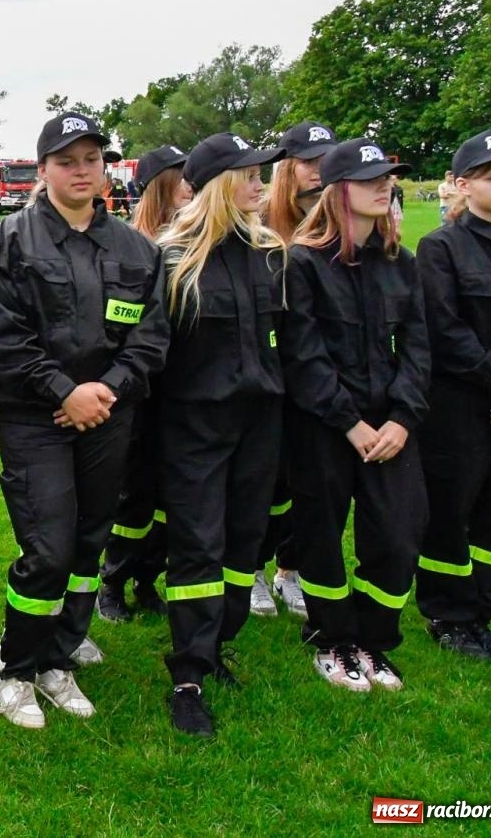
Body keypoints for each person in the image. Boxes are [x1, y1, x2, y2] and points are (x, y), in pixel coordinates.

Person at [0, 113, 169, 729]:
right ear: (44, 169)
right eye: (67, 160)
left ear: (105, 167)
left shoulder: (136, 249)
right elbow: (4, 339)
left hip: (107, 416)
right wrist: (64, 390)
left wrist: (103, 392)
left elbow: (149, 340)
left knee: (89, 544)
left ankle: (58, 661)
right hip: (34, 417)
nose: (81, 170)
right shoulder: (10, 241)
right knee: (49, 547)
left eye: (91, 159)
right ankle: (17, 669)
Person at [280, 138, 429, 692]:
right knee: (320, 533)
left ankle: (374, 640)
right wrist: (350, 423)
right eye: (370, 179)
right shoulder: (303, 262)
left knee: (397, 537)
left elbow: (418, 347)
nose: (384, 186)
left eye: (387, 178)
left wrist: (402, 419)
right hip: (325, 425)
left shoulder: (401, 262)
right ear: (338, 190)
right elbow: (303, 355)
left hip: (391, 424)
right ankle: (333, 640)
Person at [153, 134, 286, 736]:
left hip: (260, 426)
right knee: (198, 548)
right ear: (215, 186)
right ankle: (187, 674)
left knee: (243, 543)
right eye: (249, 175)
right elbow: (154, 355)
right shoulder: (170, 258)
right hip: (194, 429)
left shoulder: (271, 254)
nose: (261, 184)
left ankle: (215, 645)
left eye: (263, 173)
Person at [415, 131, 491, 659]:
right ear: (463, 186)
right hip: (463, 405)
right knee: (452, 507)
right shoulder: (440, 248)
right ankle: (448, 616)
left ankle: (482, 614)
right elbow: (445, 328)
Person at [100, 144, 191, 623]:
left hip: (185, 392)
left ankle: (148, 576)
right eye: (182, 180)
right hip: (141, 392)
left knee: (171, 495)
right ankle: (112, 579)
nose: (192, 189)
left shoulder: (196, 244)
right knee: (134, 495)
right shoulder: (134, 248)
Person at [255, 120, 338, 620]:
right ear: (286, 169)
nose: (319, 174)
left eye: (327, 163)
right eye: (310, 163)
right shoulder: (260, 222)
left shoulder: (338, 221)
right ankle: (254, 568)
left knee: (313, 480)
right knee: (267, 481)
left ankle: (293, 568)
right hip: (269, 373)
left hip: (321, 373)